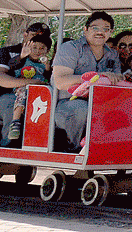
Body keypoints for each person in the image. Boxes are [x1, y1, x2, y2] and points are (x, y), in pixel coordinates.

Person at [50, 11, 122, 151]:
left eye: (105, 29)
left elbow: (117, 81)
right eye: (95, 28)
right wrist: (96, 76)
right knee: (82, 109)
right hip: (65, 105)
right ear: (85, 29)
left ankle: (115, 149)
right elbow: (60, 82)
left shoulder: (112, 54)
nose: (100, 32)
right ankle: (75, 148)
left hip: (100, 104)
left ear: (111, 32)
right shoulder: (71, 48)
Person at [0, 21, 54, 143]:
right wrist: (31, 81)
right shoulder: (7, 52)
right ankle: (9, 143)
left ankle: (39, 144)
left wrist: (48, 68)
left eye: (42, 36)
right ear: (25, 35)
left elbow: (50, 76)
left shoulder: (46, 58)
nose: (37, 39)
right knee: (10, 105)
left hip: (39, 93)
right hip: (9, 93)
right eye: (34, 34)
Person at [2, 33, 53, 143]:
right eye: (34, 47)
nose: (37, 51)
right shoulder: (22, 59)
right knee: (23, 92)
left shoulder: (45, 63)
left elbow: (48, 77)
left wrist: (48, 68)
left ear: (47, 51)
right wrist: (21, 56)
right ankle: (15, 122)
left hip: (39, 89)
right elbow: (11, 65)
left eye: (42, 48)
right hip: (22, 86)